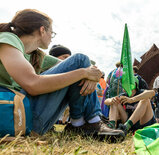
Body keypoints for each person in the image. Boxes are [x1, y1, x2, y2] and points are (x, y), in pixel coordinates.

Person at [0, 9, 124, 139]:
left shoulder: (35, 55)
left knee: (82, 60)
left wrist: (91, 73)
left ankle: (84, 122)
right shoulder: (8, 40)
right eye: (51, 33)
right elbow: (33, 84)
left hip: (23, 116)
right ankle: (86, 123)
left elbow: (80, 63)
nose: (52, 37)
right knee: (80, 60)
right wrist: (83, 73)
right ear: (42, 30)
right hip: (13, 116)